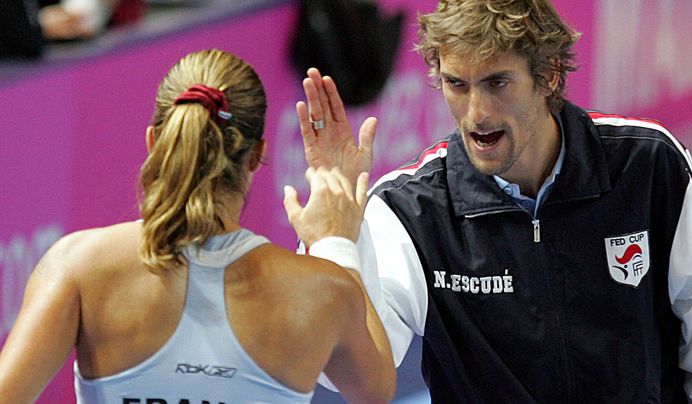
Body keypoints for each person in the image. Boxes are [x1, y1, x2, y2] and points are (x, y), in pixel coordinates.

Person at [295, 0, 692, 402]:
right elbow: (341, 374)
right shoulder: (409, 210)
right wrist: (336, 245)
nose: (476, 113)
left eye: (496, 82)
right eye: (456, 84)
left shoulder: (648, 163)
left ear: (549, 74)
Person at [0, 49, 395, 403]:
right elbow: (374, 390)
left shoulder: (77, 265)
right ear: (258, 154)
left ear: (155, 140)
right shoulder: (323, 288)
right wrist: (337, 245)